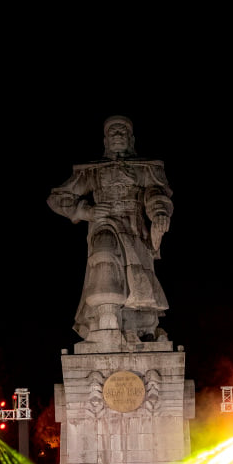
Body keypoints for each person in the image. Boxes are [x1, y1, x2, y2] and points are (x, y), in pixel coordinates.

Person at [47, 115, 173, 344]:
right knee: (104, 250)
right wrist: (85, 212)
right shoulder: (93, 171)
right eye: (112, 132)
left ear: (131, 139)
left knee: (137, 281)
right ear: (105, 140)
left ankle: (138, 324)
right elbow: (57, 198)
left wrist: (159, 213)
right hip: (103, 224)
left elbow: (157, 194)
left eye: (122, 132)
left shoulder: (145, 168)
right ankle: (106, 316)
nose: (117, 135)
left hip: (134, 229)